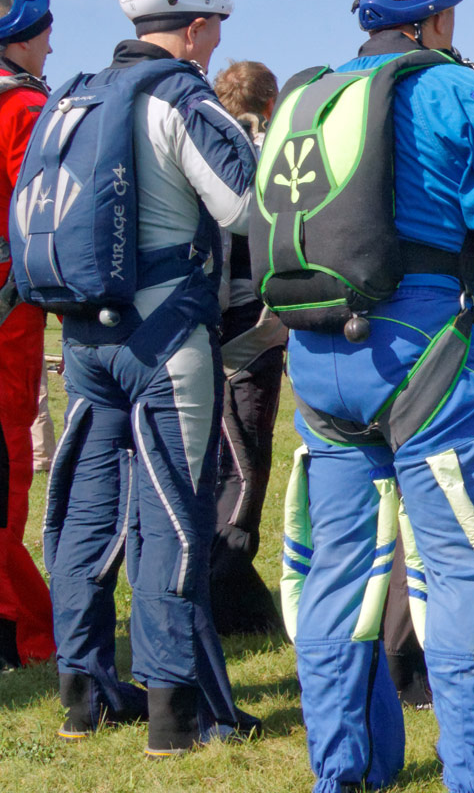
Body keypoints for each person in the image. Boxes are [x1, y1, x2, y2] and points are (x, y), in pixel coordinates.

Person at [270, 0, 474, 791]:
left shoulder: (306, 97)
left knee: (336, 576)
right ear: (440, 12)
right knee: (461, 576)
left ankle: (345, 769)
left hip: (319, 359)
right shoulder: (458, 92)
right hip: (423, 350)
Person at [22, 0, 260, 749]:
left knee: (84, 512)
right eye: (214, 23)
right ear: (193, 26)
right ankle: (174, 715)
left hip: (83, 339)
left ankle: (83, 694)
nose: (217, 37)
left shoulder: (76, 95)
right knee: (173, 519)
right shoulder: (181, 96)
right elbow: (245, 209)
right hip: (165, 339)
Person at [203, 59, 289, 638]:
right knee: (245, 464)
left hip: (207, 325)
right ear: (269, 104)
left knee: (218, 462)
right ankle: (224, 589)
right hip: (247, 329)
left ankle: (227, 587)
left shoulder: (206, 144)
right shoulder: (256, 154)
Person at [0, 0, 55, 670]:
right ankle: (22, 629)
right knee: (9, 469)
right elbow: (45, 215)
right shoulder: (23, 111)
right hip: (7, 324)